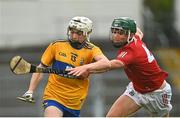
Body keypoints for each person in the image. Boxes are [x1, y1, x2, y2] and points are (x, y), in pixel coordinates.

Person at [67, 17, 172, 117]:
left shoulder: (132, 51)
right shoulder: (135, 37)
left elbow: (108, 65)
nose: (116, 35)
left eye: (121, 33)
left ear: (130, 35)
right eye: (114, 31)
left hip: (157, 93)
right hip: (136, 90)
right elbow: (139, 32)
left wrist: (86, 68)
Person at [18, 16, 111, 117]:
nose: (74, 36)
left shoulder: (92, 50)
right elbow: (40, 69)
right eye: (72, 31)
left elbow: (106, 64)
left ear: (87, 34)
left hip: (75, 103)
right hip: (53, 97)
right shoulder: (56, 46)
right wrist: (30, 90)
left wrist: (86, 68)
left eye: (79, 33)